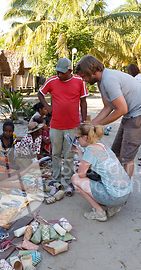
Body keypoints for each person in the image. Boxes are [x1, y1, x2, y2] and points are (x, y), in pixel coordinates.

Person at [75, 55, 141, 177]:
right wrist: (91, 123)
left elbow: (122, 109)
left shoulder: (109, 80)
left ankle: (123, 188)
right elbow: (108, 107)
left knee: (126, 157)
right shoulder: (101, 83)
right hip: (131, 115)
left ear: (91, 71)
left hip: (140, 115)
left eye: (83, 76)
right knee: (115, 152)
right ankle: (114, 179)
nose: (83, 79)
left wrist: (99, 123)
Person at [38, 58, 88, 191]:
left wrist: (83, 121)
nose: (59, 75)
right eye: (58, 72)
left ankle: (69, 179)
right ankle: (55, 178)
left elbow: (83, 102)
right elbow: (40, 93)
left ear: (70, 71)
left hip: (72, 126)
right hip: (55, 126)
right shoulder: (52, 81)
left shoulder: (79, 81)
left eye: (62, 72)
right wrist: (47, 106)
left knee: (69, 154)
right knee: (55, 153)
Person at [71, 124, 131, 222]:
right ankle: (112, 207)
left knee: (75, 178)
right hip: (126, 192)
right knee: (100, 177)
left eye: (78, 138)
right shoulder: (102, 145)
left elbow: (81, 174)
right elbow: (88, 165)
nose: (77, 140)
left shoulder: (90, 150)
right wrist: (79, 152)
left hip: (115, 196)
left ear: (85, 138)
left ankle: (99, 212)